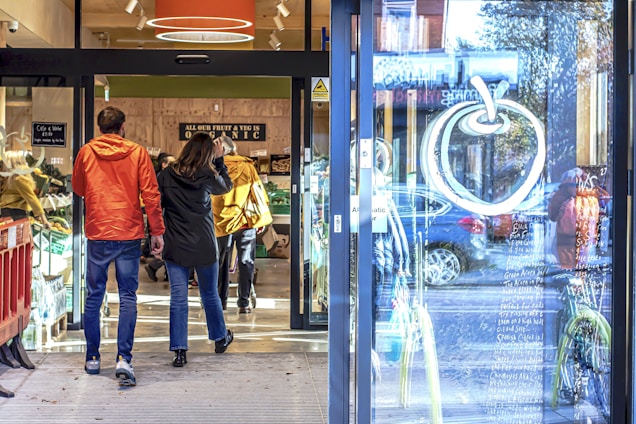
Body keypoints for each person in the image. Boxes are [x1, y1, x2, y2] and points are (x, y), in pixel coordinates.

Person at [72, 106, 165, 386]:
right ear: (122, 126)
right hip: (128, 232)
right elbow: (151, 193)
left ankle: (92, 357)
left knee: (94, 295)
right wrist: (157, 231)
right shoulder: (137, 153)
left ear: (100, 128)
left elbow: (78, 187)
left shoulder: (86, 152)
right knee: (127, 296)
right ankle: (124, 358)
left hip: (98, 231)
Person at [157, 131, 234, 368]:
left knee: (178, 297)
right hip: (203, 242)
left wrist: (156, 234)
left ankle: (179, 350)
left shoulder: (166, 173)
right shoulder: (207, 174)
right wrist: (220, 160)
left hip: (175, 243)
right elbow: (226, 187)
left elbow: (155, 202)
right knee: (209, 294)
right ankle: (220, 339)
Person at [212, 135, 272, 313]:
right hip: (245, 222)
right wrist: (260, 219)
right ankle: (243, 303)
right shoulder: (247, 166)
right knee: (246, 262)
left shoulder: (212, 167)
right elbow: (257, 193)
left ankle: (220, 302)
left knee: (221, 262)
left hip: (220, 222)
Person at [548, 167, 600, 270]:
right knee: (581, 270)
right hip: (585, 241)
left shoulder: (562, 197)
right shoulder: (592, 198)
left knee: (566, 270)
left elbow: (552, 216)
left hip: (566, 242)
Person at [145, 152, 175, 283]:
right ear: (164, 164)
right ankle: (154, 266)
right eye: (171, 164)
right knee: (170, 247)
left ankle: (161, 270)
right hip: (163, 216)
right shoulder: (161, 177)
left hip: (162, 216)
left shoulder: (162, 176)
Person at [0, 150, 51, 228]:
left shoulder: (18, 180)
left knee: (13, 238)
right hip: (11, 214)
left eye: (4, 163)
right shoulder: (10, 180)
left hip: (14, 215)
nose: (2, 166)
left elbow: (31, 198)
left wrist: (44, 220)